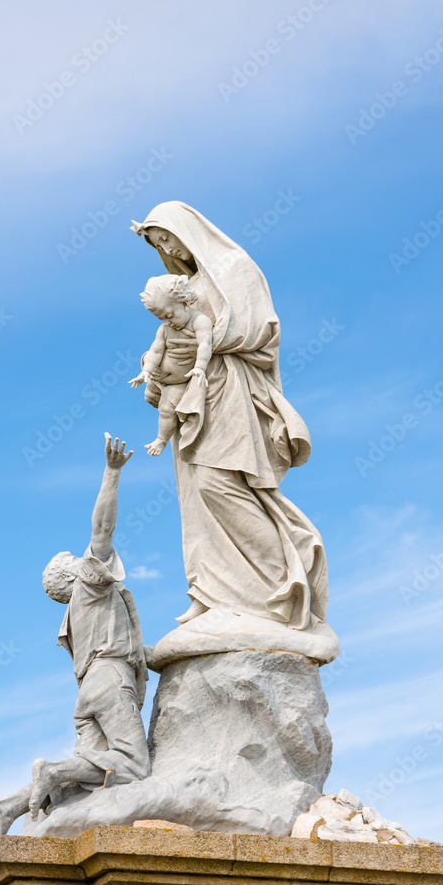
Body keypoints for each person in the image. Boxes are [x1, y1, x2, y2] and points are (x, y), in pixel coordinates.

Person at [130, 202, 328, 629]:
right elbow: (168, 340)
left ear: (186, 228)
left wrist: (199, 348)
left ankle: (283, 579)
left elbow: (261, 330)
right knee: (194, 495)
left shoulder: (234, 267)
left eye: (166, 236)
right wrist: (160, 369)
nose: (165, 248)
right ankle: (212, 591)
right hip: (188, 398)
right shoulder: (183, 285)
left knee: (219, 480)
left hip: (228, 387)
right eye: (156, 244)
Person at [0, 434, 150, 841]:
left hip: (89, 691)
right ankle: (51, 771)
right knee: (133, 766)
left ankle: (5, 808)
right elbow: (102, 530)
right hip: (111, 683)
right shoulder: (91, 586)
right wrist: (112, 474)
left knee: (84, 778)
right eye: (80, 561)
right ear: (75, 574)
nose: (88, 558)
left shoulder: (75, 617)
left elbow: (130, 648)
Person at [129, 274, 213, 456]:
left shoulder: (200, 322)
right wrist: (146, 371)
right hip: (161, 381)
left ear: (184, 303)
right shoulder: (165, 329)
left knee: (167, 410)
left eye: (170, 315)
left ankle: (161, 440)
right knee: (157, 405)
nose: (168, 322)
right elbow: (156, 351)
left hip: (179, 382)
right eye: (163, 319)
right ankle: (160, 437)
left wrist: (199, 367)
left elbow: (205, 344)